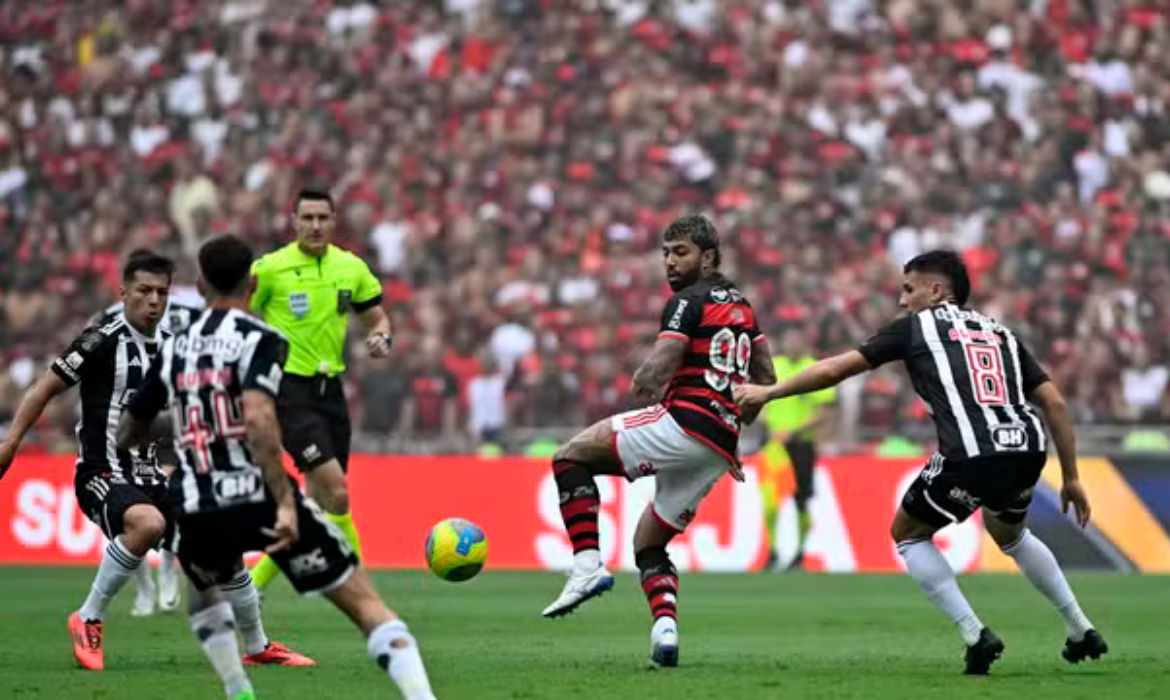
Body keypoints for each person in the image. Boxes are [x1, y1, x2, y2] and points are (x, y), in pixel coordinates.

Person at [736, 250, 1108, 675]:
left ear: (936, 290)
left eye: (908, 289)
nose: (901, 300)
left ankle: (975, 634)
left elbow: (836, 369)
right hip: (1027, 448)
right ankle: (1080, 627)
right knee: (1010, 533)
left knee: (908, 533)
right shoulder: (1001, 332)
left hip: (972, 453)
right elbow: (1055, 403)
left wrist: (769, 393)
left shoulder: (915, 328)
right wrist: (1072, 476)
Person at [117, 235, 435, 700]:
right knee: (368, 607)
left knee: (204, 595)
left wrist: (184, 431)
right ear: (251, 285)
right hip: (256, 496)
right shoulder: (262, 339)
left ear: (200, 284)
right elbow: (261, 418)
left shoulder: (175, 346)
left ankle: (237, 688)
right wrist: (285, 502)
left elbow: (130, 430)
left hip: (198, 502)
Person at [540, 215, 776, 668]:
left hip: (683, 423)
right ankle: (665, 631)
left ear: (707, 257)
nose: (669, 261)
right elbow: (765, 377)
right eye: (665, 252)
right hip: (715, 447)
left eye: (680, 252)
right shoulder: (743, 306)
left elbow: (665, 359)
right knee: (649, 544)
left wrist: (645, 375)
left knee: (570, 457)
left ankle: (586, 566)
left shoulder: (688, 301)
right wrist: (733, 427)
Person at [248, 188, 393, 592]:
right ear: (293, 220)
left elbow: (378, 319)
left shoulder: (351, 268)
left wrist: (382, 339)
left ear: (333, 221)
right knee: (338, 490)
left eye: (322, 218)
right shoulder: (271, 269)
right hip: (288, 389)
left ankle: (251, 587)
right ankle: (360, 580)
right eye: (307, 218)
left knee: (312, 506)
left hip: (330, 392)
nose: (315, 225)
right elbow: (234, 311)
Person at [91, 283, 207, 615]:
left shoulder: (191, 313)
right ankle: (144, 587)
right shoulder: (109, 321)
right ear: (127, 290)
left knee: (171, 499)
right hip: (128, 428)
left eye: (161, 289)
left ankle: (169, 566)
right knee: (131, 517)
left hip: (171, 425)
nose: (153, 300)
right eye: (145, 288)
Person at [759, 326, 835, 571]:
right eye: (788, 338)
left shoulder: (815, 369)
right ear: (782, 341)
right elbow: (757, 401)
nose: (792, 343)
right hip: (773, 445)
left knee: (800, 499)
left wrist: (794, 431)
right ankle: (772, 552)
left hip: (801, 444)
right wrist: (766, 422)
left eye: (796, 338)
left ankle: (800, 554)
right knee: (770, 500)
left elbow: (823, 414)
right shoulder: (773, 367)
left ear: (803, 341)